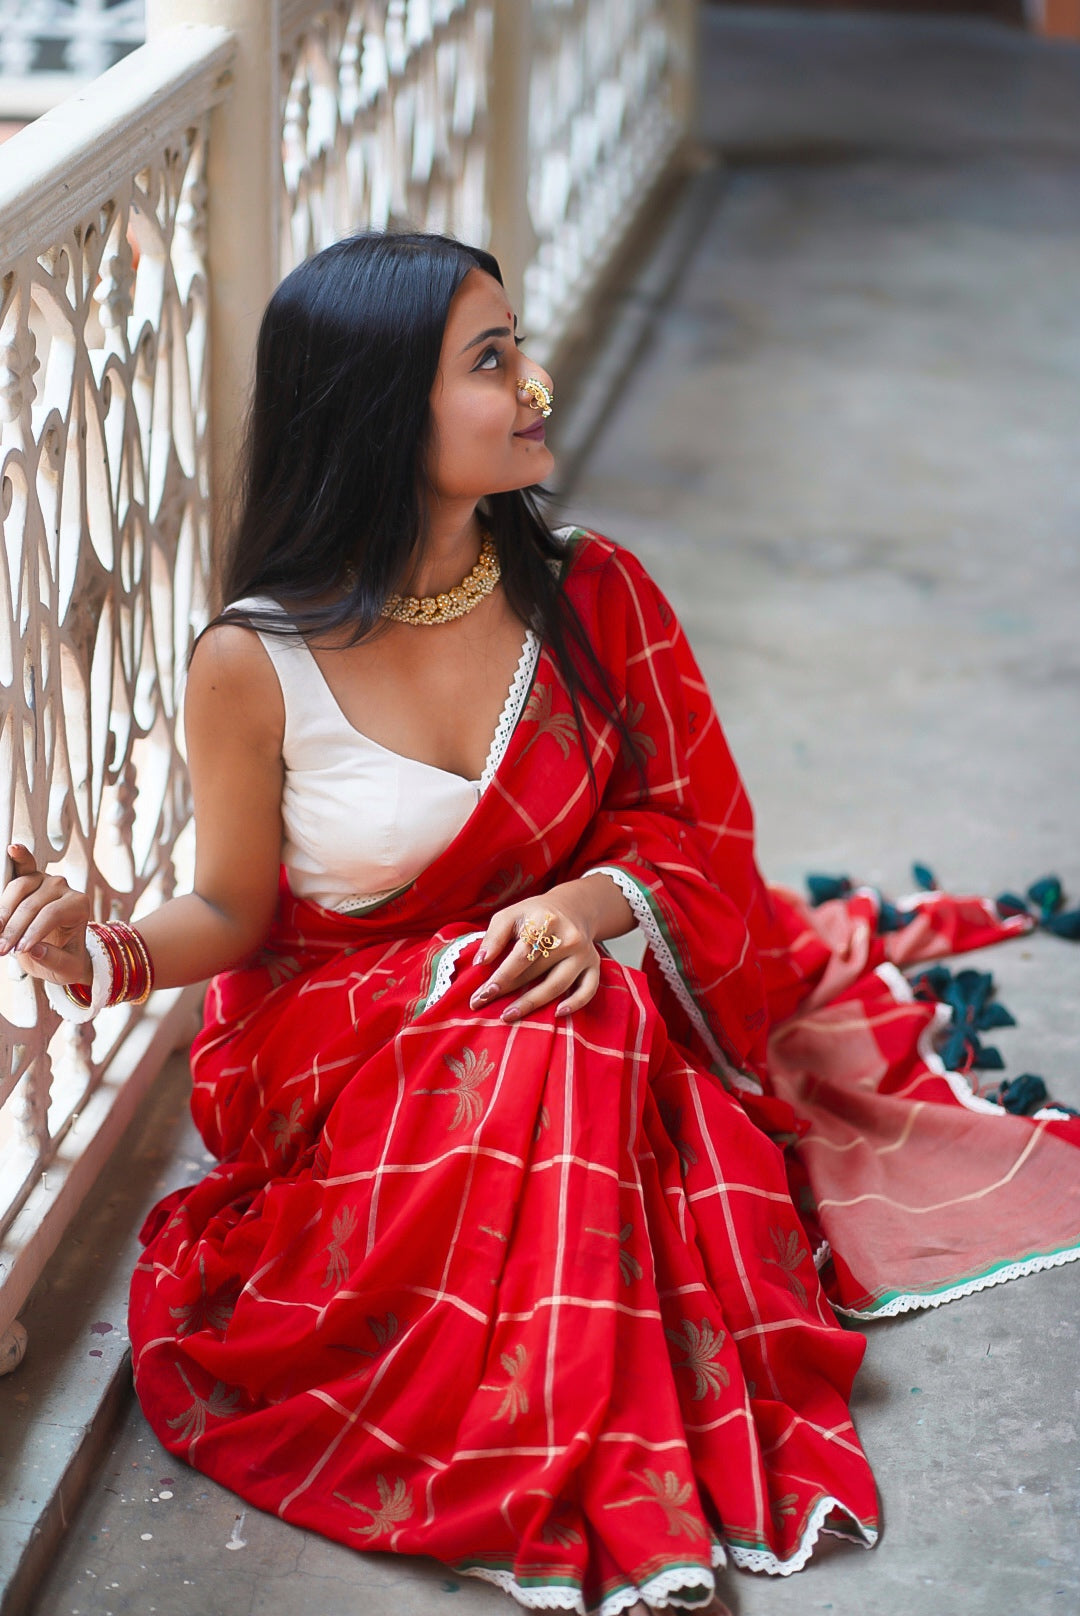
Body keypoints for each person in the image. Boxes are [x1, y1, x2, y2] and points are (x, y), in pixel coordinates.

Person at [1, 231, 1077, 1616]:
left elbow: (690, 834)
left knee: (570, 1014)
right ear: (381, 409)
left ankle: (587, 1468)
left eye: (521, 350)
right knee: (547, 1024)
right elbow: (233, 909)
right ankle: (589, 1470)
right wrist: (98, 953)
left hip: (553, 1016)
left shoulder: (590, 594)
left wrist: (577, 907)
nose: (537, 387)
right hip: (341, 1053)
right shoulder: (253, 660)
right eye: (492, 361)